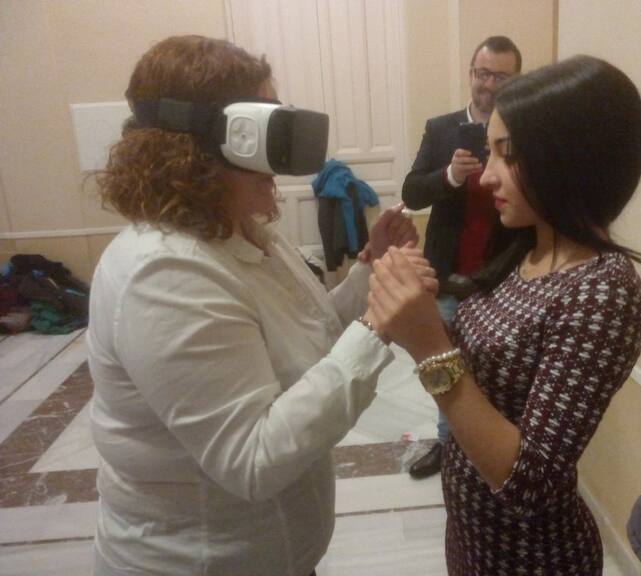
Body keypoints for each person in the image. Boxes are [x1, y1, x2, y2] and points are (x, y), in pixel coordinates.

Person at [87, 35, 434, 576]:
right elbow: (252, 460)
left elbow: (314, 333)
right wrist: (377, 327)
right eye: (266, 127)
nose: (281, 155)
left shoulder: (241, 232)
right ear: (203, 146)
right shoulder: (164, 273)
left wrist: (372, 272)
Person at [368, 55, 641, 575]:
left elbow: (527, 484)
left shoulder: (601, 289)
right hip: (471, 536)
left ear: (570, 159)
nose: (487, 176)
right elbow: (483, 365)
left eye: (507, 154)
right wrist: (415, 288)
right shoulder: (525, 249)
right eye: (487, 152)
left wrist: (429, 346)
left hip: (532, 559)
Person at [402, 35, 522, 478]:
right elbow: (411, 192)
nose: (490, 84)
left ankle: (484, 450)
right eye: (483, 73)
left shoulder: (523, 132)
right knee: (443, 365)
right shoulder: (441, 129)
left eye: (502, 76)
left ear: (516, 81)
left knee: (493, 371)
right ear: (471, 74)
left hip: (501, 279)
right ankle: (446, 446)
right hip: (449, 276)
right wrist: (450, 175)